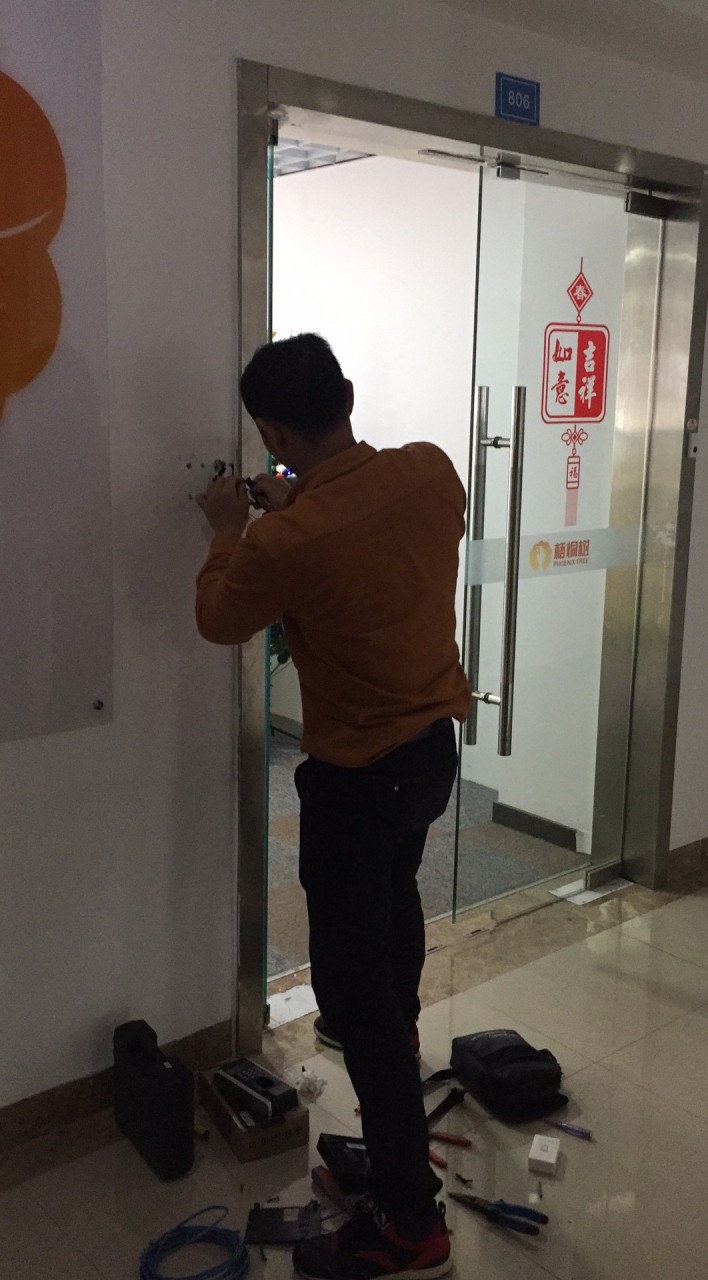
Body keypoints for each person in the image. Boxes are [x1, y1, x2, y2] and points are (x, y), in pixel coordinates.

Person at [195, 334, 470, 1280]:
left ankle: (410, 1227)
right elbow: (374, 539)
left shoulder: (284, 540)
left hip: (356, 784)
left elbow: (220, 619)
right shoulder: (431, 471)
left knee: (355, 1002)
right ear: (347, 395)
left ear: (271, 432)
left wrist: (228, 529)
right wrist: (301, 501)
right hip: (431, 758)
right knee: (395, 934)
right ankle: (396, 1148)